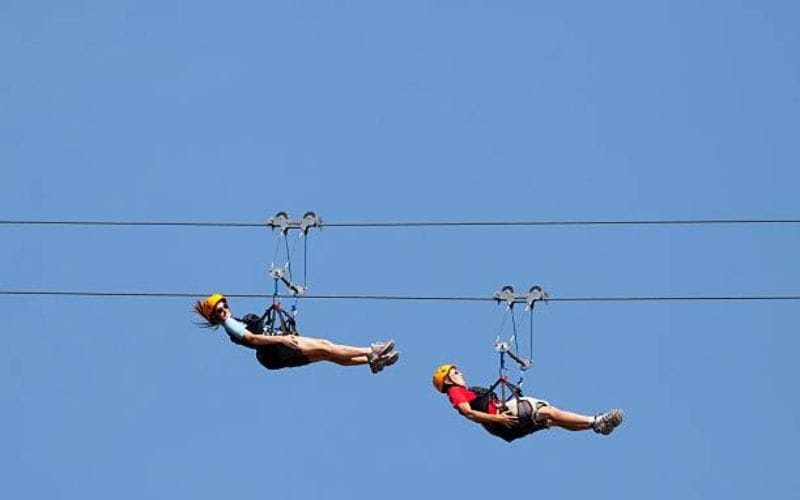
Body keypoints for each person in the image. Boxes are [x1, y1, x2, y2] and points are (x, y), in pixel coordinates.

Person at [195, 293, 399, 373]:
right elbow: (252, 338)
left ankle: (371, 360)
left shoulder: (233, 322)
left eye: (224, 307)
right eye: (219, 311)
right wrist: (283, 337)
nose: (224, 311)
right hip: (279, 348)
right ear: (216, 317)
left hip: (276, 357)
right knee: (327, 346)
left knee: (328, 355)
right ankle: (372, 350)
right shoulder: (230, 324)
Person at [432, 364, 624, 442]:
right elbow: (469, 413)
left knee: (553, 420)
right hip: (503, 422)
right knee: (547, 412)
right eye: (455, 373)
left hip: (505, 429)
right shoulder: (455, 392)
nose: (461, 373)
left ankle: (597, 426)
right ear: (448, 380)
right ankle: (596, 420)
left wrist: (497, 416)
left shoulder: (467, 391)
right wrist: (496, 418)